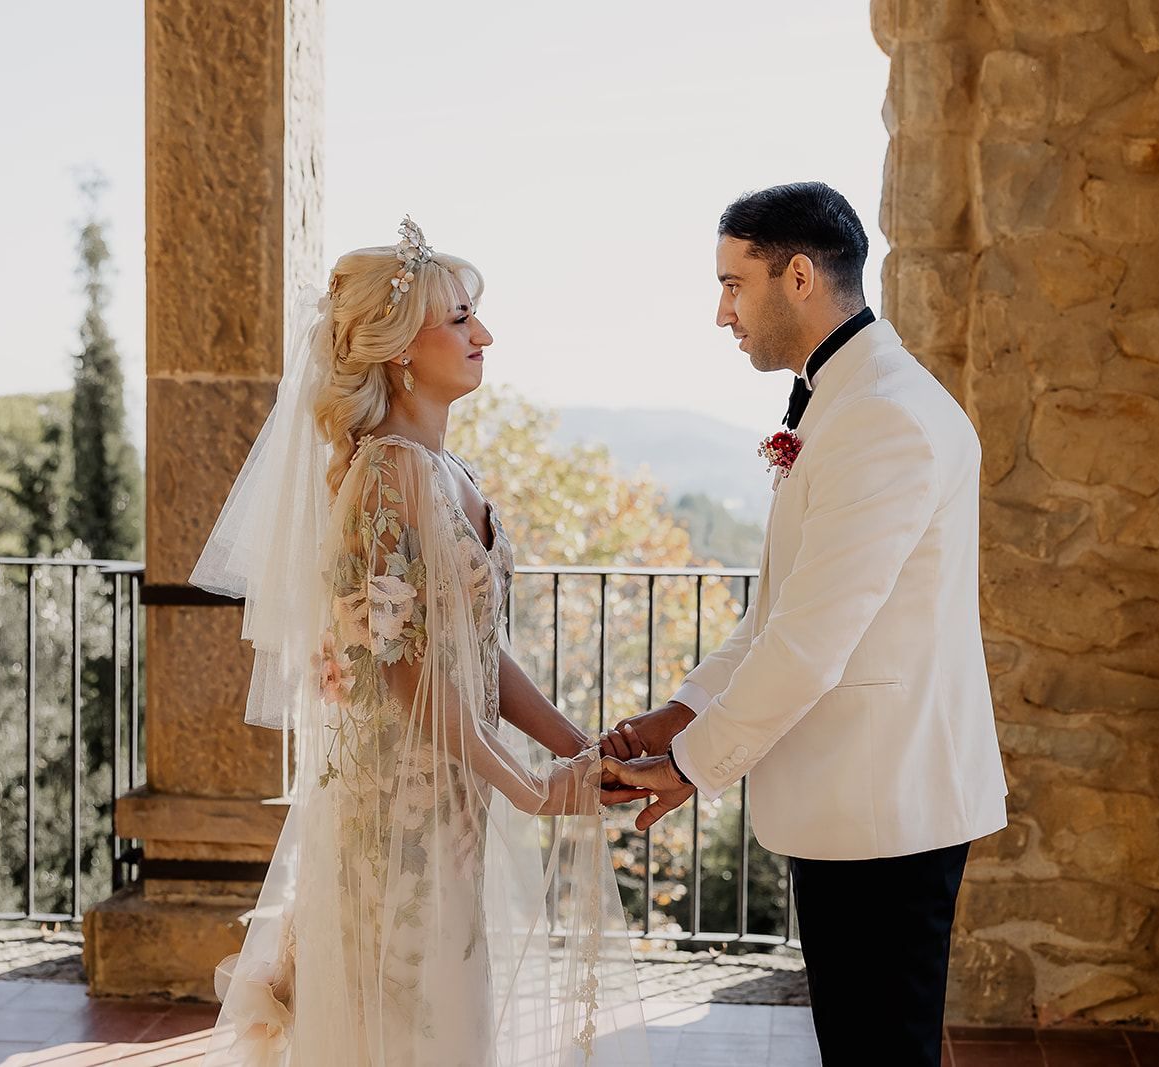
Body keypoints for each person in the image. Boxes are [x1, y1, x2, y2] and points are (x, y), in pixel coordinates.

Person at [192, 218, 649, 1067]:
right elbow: (400, 672)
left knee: (447, 1014)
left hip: (454, 788)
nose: (484, 335)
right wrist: (529, 786)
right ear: (401, 348)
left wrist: (576, 748)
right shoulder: (388, 471)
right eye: (462, 319)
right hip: (401, 802)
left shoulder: (449, 471)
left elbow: (475, 651)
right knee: (414, 1023)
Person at [600, 183, 1008, 1066]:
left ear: (796, 275)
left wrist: (688, 768)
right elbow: (781, 609)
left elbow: (811, 641)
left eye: (732, 284)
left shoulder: (882, 417)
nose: (721, 312)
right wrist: (683, 712)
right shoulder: (848, 395)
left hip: (884, 805)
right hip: (860, 802)